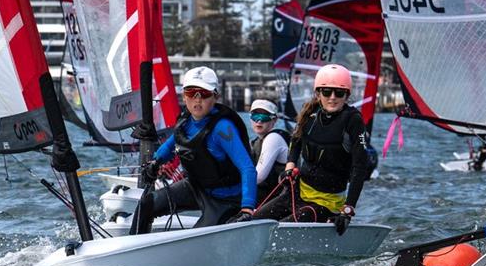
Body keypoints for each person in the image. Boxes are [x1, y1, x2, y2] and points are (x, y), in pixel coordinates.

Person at [129, 67, 257, 234]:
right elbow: (170, 145)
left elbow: (247, 168)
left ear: (215, 97)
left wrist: (247, 208)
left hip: (225, 199)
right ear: (184, 96)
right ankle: (135, 247)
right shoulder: (185, 123)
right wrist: (155, 162)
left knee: (195, 236)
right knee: (146, 205)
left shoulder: (222, 128)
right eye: (191, 93)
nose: (197, 100)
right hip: (195, 188)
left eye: (204, 94)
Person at [252, 64, 368, 235]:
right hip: (298, 191)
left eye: (339, 93)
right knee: (255, 221)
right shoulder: (310, 112)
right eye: (327, 92)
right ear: (318, 93)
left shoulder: (353, 120)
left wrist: (347, 210)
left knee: (278, 231)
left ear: (347, 95)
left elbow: (360, 167)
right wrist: (289, 166)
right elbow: (296, 140)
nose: (333, 98)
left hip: (326, 204)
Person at [248, 99, 290, 202]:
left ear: (274, 120)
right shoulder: (255, 142)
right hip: (266, 197)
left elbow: (258, 177)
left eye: (264, 116)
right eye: (255, 116)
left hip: (279, 200)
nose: (259, 121)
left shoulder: (274, 138)